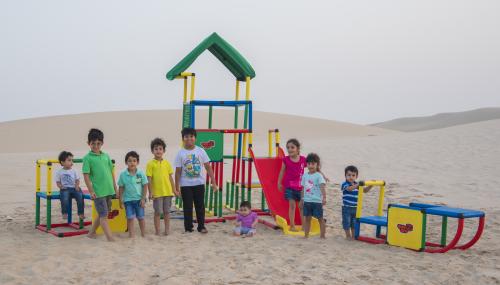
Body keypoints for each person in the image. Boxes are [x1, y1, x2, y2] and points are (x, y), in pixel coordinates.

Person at [174, 128, 218, 234]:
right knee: (187, 207)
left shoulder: (201, 151)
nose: (189, 138)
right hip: (185, 185)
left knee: (200, 206)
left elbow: (208, 167)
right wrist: (176, 187)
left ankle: (201, 226)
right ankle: (188, 227)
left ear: (195, 138)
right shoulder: (180, 153)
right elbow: (178, 172)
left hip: (199, 183)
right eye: (186, 136)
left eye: (191, 136)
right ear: (183, 139)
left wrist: (214, 182)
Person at [83, 128, 118, 241]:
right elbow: (86, 176)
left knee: (103, 213)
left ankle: (91, 233)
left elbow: (111, 172)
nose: (96, 146)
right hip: (98, 192)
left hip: (109, 191)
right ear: (89, 143)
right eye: (93, 143)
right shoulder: (87, 158)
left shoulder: (106, 156)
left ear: (102, 143)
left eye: (98, 143)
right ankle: (110, 238)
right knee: (104, 216)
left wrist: (115, 187)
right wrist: (91, 191)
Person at [146, 138, 178, 236]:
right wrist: (150, 192)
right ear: (152, 151)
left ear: (164, 151)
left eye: (160, 149)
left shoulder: (167, 163)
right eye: (156, 149)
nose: (158, 151)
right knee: (157, 213)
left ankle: (167, 230)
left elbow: (170, 178)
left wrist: (174, 190)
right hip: (157, 193)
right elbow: (149, 179)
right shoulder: (150, 164)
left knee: (167, 212)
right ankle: (157, 230)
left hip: (168, 192)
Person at [277, 138, 306, 232]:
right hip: (289, 187)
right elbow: (282, 171)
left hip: (301, 187)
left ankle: (304, 225)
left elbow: (312, 167)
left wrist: (321, 175)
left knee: (301, 206)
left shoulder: (303, 159)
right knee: (292, 206)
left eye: (292, 147)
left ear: (298, 149)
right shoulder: (286, 160)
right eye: (288, 147)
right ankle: (292, 225)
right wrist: (279, 182)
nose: (289, 149)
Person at [118, 151, 148, 238]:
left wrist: (143, 198)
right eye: (130, 161)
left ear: (137, 162)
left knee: (141, 217)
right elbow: (121, 187)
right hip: (128, 201)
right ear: (126, 162)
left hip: (139, 200)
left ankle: (143, 234)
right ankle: (131, 235)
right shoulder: (123, 175)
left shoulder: (141, 173)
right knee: (130, 218)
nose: (132, 163)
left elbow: (145, 185)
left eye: (134, 161)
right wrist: (121, 200)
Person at [341, 165, 372, 240]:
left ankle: (353, 236)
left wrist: (370, 186)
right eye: (348, 175)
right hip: (347, 208)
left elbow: (365, 191)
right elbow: (350, 189)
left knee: (354, 223)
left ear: (356, 176)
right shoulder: (345, 184)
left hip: (355, 208)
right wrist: (358, 184)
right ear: (345, 176)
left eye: (353, 175)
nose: (351, 177)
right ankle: (348, 236)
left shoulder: (357, 184)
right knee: (347, 222)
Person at [301, 153, 326, 238]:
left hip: (317, 201)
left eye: (313, 164)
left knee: (320, 219)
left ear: (317, 164)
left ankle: (322, 236)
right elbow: (303, 188)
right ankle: (306, 235)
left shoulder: (319, 176)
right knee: (307, 219)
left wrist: (324, 198)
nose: (310, 166)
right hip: (307, 201)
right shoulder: (305, 175)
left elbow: (322, 187)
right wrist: (302, 200)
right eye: (309, 164)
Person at [55, 151, 84, 221]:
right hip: (65, 188)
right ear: (62, 162)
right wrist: (61, 187)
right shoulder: (59, 172)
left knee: (80, 197)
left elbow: (77, 179)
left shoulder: (74, 170)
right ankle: (64, 212)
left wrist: (77, 186)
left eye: (72, 160)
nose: (71, 162)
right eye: (69, 160)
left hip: (74, 187)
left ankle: (81, 213)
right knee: (64, 198)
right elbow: (58, 182)